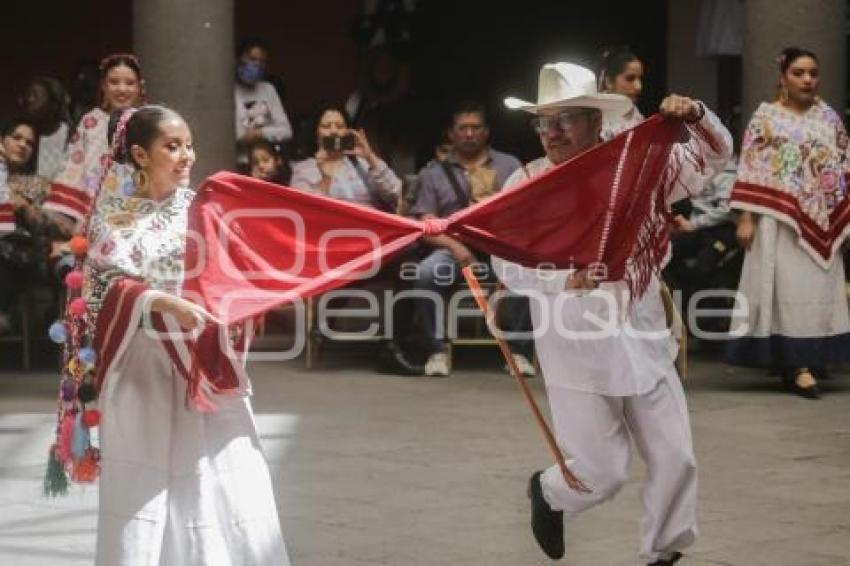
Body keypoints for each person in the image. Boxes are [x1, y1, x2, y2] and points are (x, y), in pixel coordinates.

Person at [496, 62, 732, 565]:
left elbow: (713, 158)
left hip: (641, 331)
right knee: (602, 474)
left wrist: (696, 115)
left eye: (565, 120)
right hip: (573, 341)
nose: (552, 133)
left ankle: (662, 554)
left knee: (676, 457)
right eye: (544, 122)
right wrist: (562, 278)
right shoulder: (526, 183)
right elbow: (506, 262)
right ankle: (550, 492)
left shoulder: (639, 166)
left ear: (595, 122)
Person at [82, 105, 289, 564]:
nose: (186, 156)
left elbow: (229, 273)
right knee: (144, 485)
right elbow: (101, 290)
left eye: (189, 145)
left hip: (203, 365)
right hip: (142, 367)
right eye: (172, 147)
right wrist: (159, 301)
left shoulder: (201, 209)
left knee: (224, 480)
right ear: (139, 154)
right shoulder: (111, 214)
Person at [726, 47, 850, 399]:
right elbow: (749, 167)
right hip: (777, 220)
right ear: (782, 78)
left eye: (813, 72)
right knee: (785, 293)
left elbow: (842, 164)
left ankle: (811, 357)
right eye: (799, 73)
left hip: (821, 219)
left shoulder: (828, 118)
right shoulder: (766, 118)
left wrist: (840, 213)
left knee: (817, 291)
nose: (808, 79)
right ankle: (796, 365)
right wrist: (745, 218)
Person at [408, 100, 529, 378]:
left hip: (500, 244)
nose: (470, 133)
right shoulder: (433, 172)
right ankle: (437, 349)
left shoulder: (509, 165)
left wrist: (496, 208)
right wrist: (457, 248)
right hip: (453, 247)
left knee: (529, 272)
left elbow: (527, 212)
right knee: (426, 273)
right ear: (451, 133)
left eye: (476, 127)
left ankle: (520, 350)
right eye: (463, 128)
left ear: (486, 131)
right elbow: (424, 222)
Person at [43, 53, 144, 278]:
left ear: (140, 87)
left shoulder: (147, 123)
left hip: (138, 214)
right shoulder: (91, 121)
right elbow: (74, 167)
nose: (122, 89)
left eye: (129, 83)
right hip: (91, 216)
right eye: (114, 82)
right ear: (103, 87)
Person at [290, 105, 401, 210]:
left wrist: (370, 156)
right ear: (315, 132)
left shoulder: (363, 164)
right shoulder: (303, 170)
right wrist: (325, 179)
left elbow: (396, 193)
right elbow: (304, 210)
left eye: (340, 126)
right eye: (326, 126)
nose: (334, 131)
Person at [0, 118, 50, 335]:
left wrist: (26, 208)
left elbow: (45, 225)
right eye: (17, 138)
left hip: (22, 250)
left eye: (30, 143)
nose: (23, 145)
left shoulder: (38, 183)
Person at [235, 37, 293, 171]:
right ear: (239, 59)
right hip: (241, 164)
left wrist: (260, 133)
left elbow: (286, 131)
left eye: (262, 62)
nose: (257, 65)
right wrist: (243, 137)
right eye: (252, 59)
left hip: (268, 165)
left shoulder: (268, 90)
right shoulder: (228, 92)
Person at [20, 76, 72, 181]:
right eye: (28, 95)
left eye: (36, 96)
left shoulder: (73, 136)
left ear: (54, 104)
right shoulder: (22, 136)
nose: (29, 100)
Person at [597, 46, 646, 140]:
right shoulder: (595, 116)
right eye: (630, 78)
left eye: (640, 78)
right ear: (609, 82)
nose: (638, 86)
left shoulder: (636, 114)